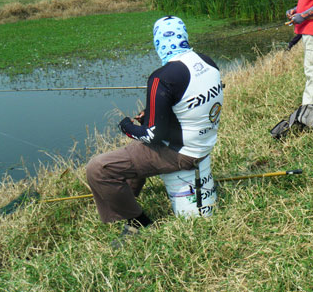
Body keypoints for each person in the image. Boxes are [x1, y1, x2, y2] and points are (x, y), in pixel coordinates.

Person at [86, 16, 223, 242]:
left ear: (158, 41)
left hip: (180, 153)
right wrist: (149, 116)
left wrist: (126, 125)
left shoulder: (161, 77)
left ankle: (138, 221)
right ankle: (126, 200)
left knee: (99, 168)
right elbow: (188, 105)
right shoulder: (207, 62)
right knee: (132, 154)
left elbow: (152, 135)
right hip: (202, 143)